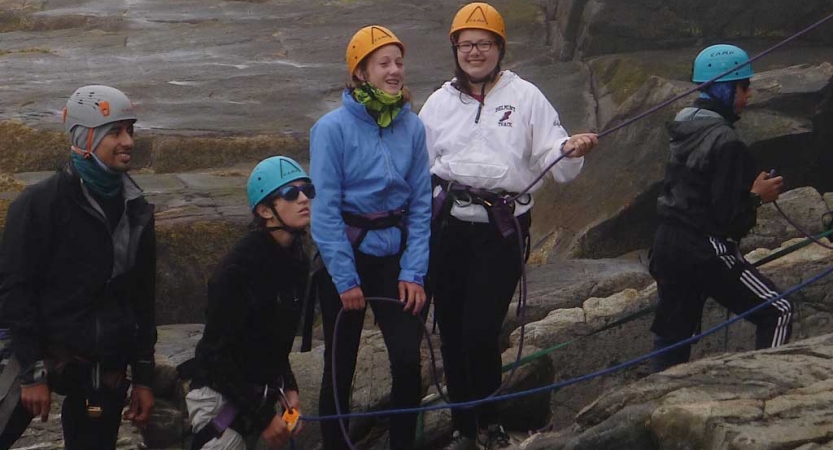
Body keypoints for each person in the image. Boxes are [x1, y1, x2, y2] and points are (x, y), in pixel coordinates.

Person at [418, 3, 599, 449]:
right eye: (466, 45)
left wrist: (569, 149)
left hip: (500, 230)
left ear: (500, 48)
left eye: (484, 44)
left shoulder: (526, 97)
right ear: (455, 49)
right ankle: (464, 427)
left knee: (480, 329)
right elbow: (418, 167)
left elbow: (551, 151)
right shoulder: (439, 102)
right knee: (452, 330)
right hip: (449, 228)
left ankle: (490, 421)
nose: (474, 52)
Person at [0, 85, 156, 450]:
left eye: (130, 131)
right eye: (115, 132)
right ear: (85, 138)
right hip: (41, 355)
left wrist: (144, 379)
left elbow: (143, 299)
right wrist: (31, 374)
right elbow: (14, 292)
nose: (128, 142)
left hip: (103, 371)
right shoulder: (38, 205)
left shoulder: (136, 209)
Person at [309, 25, 432, 450]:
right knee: (340, 366)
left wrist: (414, 272)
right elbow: (324, 209)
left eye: (399, 62)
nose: (395, 71)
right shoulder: (332, 129)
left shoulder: (412, 127)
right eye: (384, 63)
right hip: (346, 254)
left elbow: (420, 204)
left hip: (394, 257)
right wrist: (345, 279)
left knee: (406, 361)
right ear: (360, 71)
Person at [648, 44, 792, 373]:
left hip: (667, 245)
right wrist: (758, 196)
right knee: (778, 309)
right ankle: (769, 388)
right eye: (744, 87)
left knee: (674, 335)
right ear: (727, 88)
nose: (749, 95)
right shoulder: (727, 141)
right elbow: (729, 220)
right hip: (702, 251)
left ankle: (652, 400)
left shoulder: (683, 129)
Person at [185, 156, 313, 450]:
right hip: (219, 397)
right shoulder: (238, 270)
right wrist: (264, 417)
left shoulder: (297, 259)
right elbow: (215, 356)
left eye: (307, 190)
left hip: (261, 391)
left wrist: (290, 389)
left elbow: (277, 341)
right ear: (265, 210)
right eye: (291, 194)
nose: (304, 198)